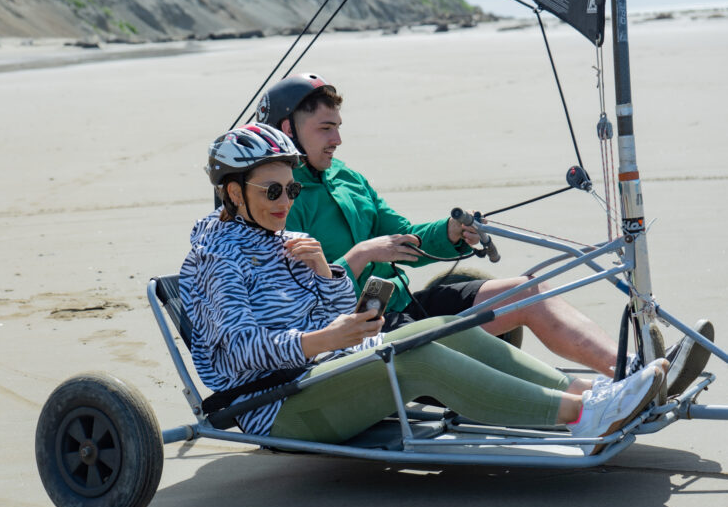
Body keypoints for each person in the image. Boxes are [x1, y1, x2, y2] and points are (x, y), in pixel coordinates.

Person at [179, 122, 666, 454]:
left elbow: (329, 310)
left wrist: (327, 277)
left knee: (437, 328)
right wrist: (327, 339)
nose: (285, 200)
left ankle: (594, 391)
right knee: (413, 354)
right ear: (232, 192)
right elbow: (240, 352)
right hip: (276, 407)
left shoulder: (281, 241)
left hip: (321, 376)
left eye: (292, 189)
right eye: (272, 191)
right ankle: (581, 415)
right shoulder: (216, 258)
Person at [255, 72, 710, 386]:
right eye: (325, 129)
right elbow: (290, 299)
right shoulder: (274, 200)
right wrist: (363, 255)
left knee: (530, 290)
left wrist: (450, 233)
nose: (337, 139)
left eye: (337, 127)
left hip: (406, 307)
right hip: (363, 334)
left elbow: (405, 237)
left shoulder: (347, 178)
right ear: (287, 129)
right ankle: (630, 383)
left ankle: (635, 371)